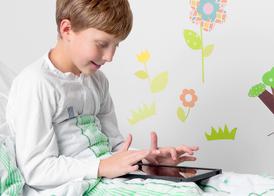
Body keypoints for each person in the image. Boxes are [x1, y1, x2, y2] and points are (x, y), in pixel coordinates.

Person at [6, 0, 199, 191]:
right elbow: (36, 170)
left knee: (198, 187)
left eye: (116, 45)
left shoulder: (98, 81)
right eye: (102, 44)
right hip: (76, 185)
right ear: (67, 30)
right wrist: (101, 167)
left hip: (107, 179)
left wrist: (147, 161)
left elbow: (114, 147)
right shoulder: (36, 84)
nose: (110, 56)